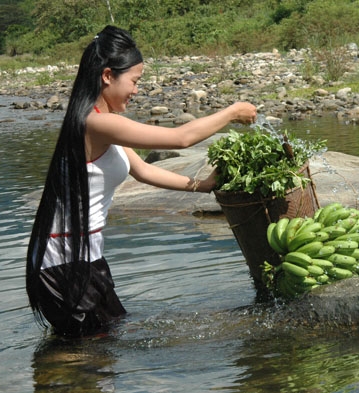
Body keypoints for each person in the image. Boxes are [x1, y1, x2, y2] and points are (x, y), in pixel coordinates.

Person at [26, 25, 257, 338]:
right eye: (134, 81)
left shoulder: (101, 120)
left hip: (84, 258)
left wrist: (200, 185)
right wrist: (231, 112)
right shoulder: (95, 123)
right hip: (63, 264)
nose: (136, 91)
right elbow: (181, 137)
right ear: (108, 75)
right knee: (88, 354)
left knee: (105, 344)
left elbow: (143, 170)